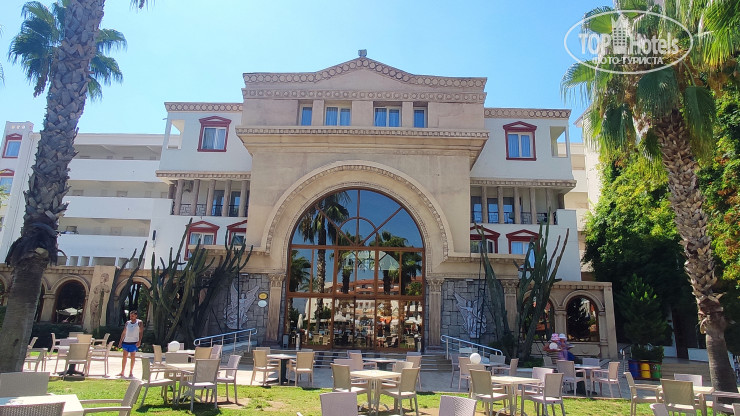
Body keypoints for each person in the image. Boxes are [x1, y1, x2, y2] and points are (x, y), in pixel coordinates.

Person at [118, 310, 143, 378]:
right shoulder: (127, 323)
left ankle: (131, 372)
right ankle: (122, 371)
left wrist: (139, 341)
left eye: (132, 316)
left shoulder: (139, 322)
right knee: (124, 357)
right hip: (126, 341)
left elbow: (141, 332)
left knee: (132, 357)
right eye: (130, 316)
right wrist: (120, 342)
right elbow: (124, 332)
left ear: (136, 316)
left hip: (134, 342)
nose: (131, 317)